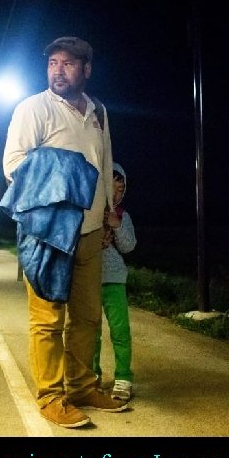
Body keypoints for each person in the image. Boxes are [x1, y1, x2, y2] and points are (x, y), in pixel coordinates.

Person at [2, 36, 128, 428]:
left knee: (87, 317)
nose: (58, 70)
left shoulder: (99, 112)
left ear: (86, 69)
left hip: (91, 232)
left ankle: (82, 386)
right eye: (53, 63)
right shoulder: (32, 108)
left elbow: (104, 163)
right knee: (47, 319)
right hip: (49, 234)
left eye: (68, 64)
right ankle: (50, 396)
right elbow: (14, 166)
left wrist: (109, 211)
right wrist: (67, 170)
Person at [93, 163, 137, 401]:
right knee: (91, 332)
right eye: (112, 187)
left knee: (120, 331)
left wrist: (116, 225)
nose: (117, 193)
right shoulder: (88, 212)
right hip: (89, 281)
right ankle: (92, 377)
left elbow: (129, 246)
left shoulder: (122, 215)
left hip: (114, 281)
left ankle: (123, 377)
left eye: (121, 189)